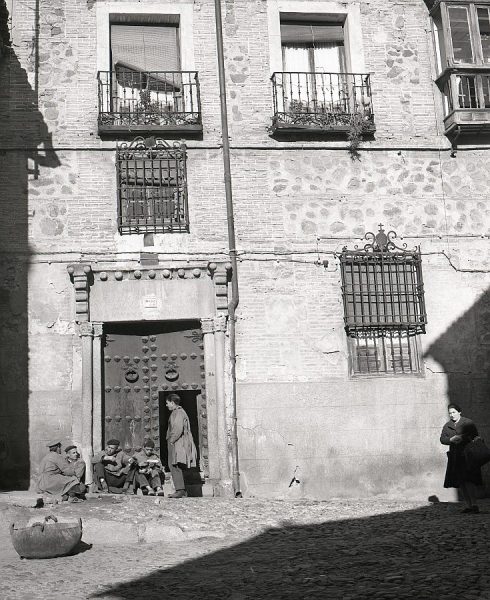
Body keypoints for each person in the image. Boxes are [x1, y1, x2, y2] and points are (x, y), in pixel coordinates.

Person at [440, 403, 482, 513]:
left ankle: (474, 505)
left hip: (468, 455)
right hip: (455, 457)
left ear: (459, 412)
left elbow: (475, 435)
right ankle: (468, 506)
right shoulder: (447, 425)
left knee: (469, 480)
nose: (452, 415)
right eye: (450, 413)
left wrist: (462, 438)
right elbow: (442, 439)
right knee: (461, 481)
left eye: (454, 412)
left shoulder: (468, 423)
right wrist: (451, 439)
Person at [166, 393, 197, 498]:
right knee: (176, 464)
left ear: (172, 402)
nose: (166, 405)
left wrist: (172, 440)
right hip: (177, 441)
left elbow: (178, 428)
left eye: (167, 403)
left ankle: (180, 490)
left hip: (177, 442)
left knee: (174, 465)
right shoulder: (178, 412)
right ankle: (181, 490)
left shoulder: (178, 412)